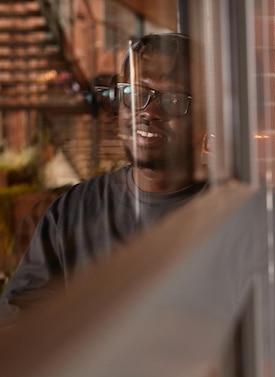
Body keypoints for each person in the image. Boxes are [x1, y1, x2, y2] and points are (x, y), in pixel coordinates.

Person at [0, 33, 206, 324]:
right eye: (135, 94)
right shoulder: (72, 211)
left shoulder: (240, 210)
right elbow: (18, 321)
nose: (148, 112)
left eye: (173, 99)